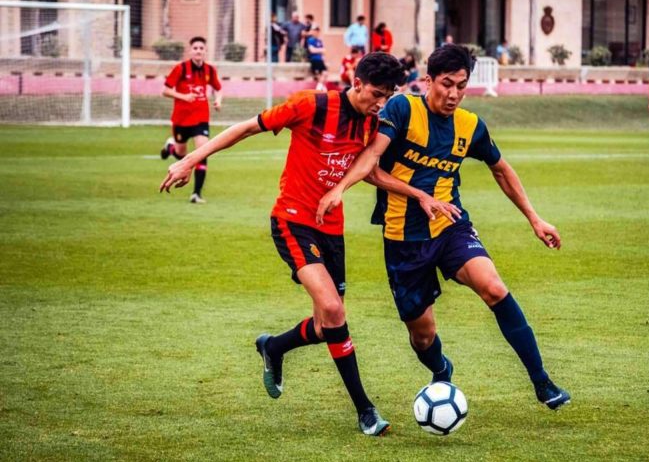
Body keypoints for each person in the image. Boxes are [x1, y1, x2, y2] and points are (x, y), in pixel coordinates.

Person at [159, 52, 453, 435]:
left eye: (388, 95)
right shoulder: (311, 104)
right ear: (356, 82)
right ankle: (365, 410)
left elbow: (371, 172)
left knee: (325, 323)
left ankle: (275, 347)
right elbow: (247, 128)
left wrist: (419, 195)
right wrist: (189, 160)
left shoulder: (370, 124)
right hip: (293, 221)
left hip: (332, 230)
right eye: (377, 94)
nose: (381, 103)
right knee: (334, 310)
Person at [316, 43, 571, 411]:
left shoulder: (470, 125)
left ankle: (543, 383)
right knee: (423, 337)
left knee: (495, 288)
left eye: (462, 86)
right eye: (446, 84)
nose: (453, 94)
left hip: (451, 227)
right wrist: (357, 189)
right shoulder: (403, 108)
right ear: (428, 80)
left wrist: (535, 218)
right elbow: (371, 163)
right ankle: (440, 368)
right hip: (403, 238)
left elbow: (500, 169)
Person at [160, 36, 222, 204]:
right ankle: (170, 147)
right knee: (181, 154)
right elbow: (165, 90)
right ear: (190, 51)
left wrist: (218, 100)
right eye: (195, 48)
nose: (198, 51)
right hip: (181, 119)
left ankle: (196, 194)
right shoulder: (180, 69)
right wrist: (183, 96)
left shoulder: (210, 70)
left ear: (205, 51)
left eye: (201, 48)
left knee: (202, 152)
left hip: (201, 119)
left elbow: (218, 89)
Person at [306, 26, 328, 91]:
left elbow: (324, 51)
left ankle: (319, 86)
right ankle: (321, 87)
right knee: (317, 74)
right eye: (315, 31)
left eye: (317, 31)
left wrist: (322, 53)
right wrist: (321, 50)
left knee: (325, 73)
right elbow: (312, 50)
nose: (316, 33)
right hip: (314, 59)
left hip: (320, 59)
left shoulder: (320, 41)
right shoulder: (310, 40)